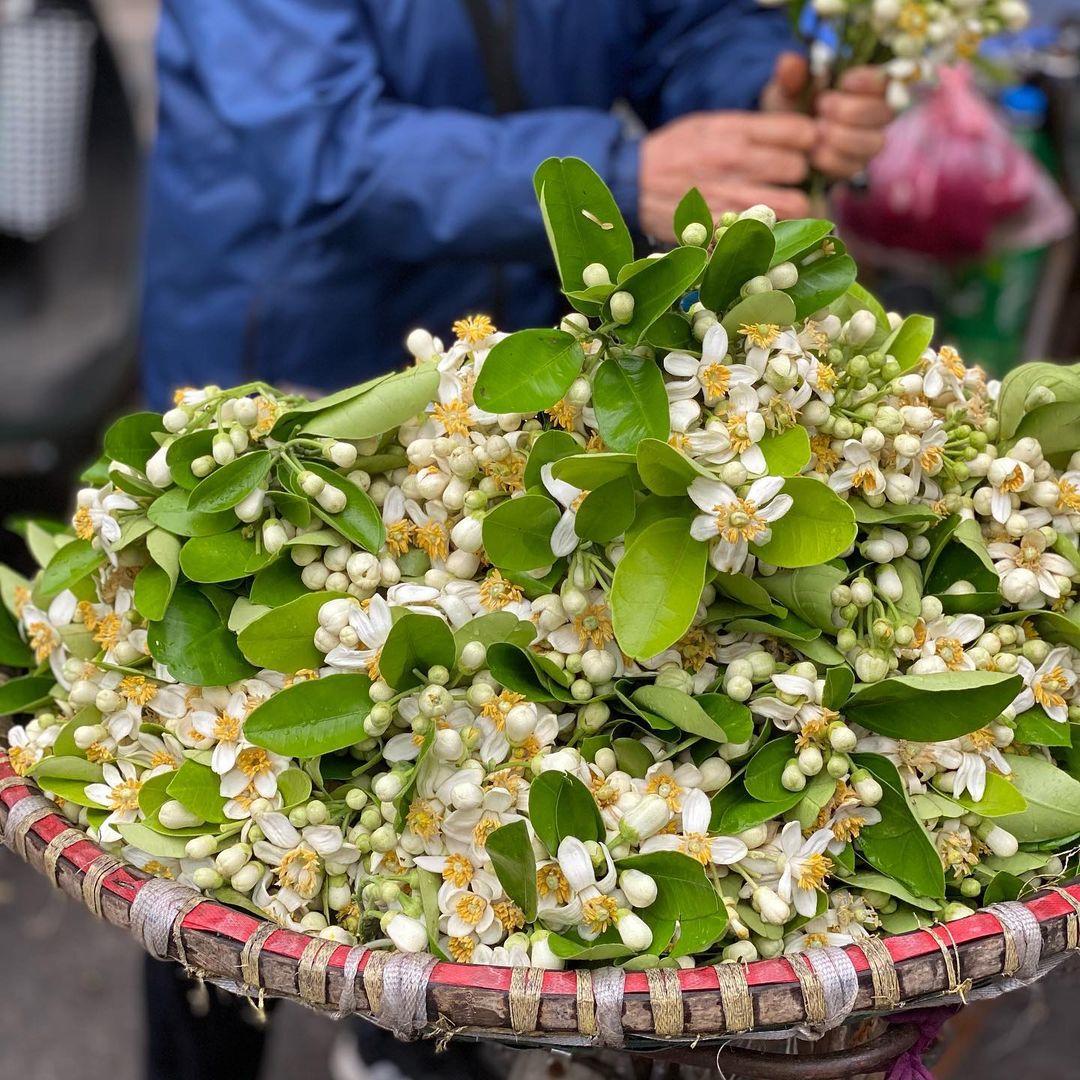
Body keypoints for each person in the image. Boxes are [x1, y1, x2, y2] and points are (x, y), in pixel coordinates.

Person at [141, 0, 893, 411]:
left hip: (523, 336)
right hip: (305, 347)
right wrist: (616, 176)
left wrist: (765, 91)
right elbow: (326, 148)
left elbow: (686, 24)